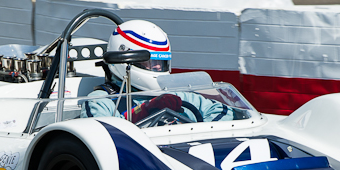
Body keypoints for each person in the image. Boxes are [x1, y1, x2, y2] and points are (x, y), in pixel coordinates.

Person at [82, 20, 235, 124]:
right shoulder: (100, 101)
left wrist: (202, 132)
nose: (156, 68)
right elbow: (105, 136)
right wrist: (145, 109)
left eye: (161, 63)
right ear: (125, 60)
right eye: (150, 62)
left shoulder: (175, 94)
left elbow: (222, 110)